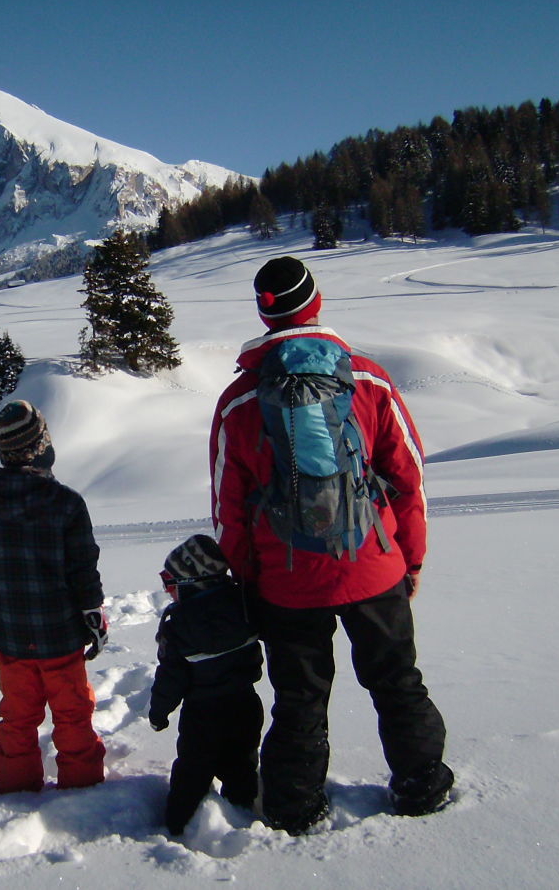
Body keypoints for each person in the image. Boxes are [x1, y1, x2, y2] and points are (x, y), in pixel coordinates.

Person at [209, 256, 452, 834]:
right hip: (373, 566)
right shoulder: (367, 379)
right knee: (396, 680)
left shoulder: (239, 401)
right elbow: (409, 477)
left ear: (265, 314)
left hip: (288, 581)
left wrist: (250, 578)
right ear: (315, 303)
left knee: (299, 697)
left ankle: (294, 807)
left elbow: (228, 509)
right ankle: (421, 786)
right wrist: (409, 560)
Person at [0, 400, 108, 794]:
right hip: (60, 635)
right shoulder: (66, 503)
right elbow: (84, 568)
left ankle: (16, 783)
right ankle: (81, 785)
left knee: (17, 714)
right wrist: (93, 617)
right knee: (72, 712)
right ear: (40, 446)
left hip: (10, 636)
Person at [148, 534, 264, 836]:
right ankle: (241, 814)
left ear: (193, 581)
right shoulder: (244, 604)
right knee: (242, 764)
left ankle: (178, 823)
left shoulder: (178, 623)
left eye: (170, 582)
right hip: (246, 704)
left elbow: (171, 677)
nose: (168, 591)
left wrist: (159, 712)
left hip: (202, 715)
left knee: (192, 770)